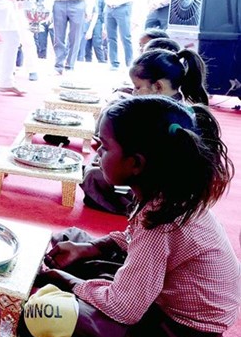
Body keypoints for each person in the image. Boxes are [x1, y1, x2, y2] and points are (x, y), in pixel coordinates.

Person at [28, 95, 239, 337]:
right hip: (161, 310)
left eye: (104, 146)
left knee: (44, 313)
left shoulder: (161, 222)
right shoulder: (170, 196)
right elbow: (134, 241)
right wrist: (91, 248)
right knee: (74, 241)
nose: (97, 152)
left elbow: (123, 308)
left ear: (136, 163)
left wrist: (64, 281)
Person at [81, 47, 210, 215]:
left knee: (92, 175)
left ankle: (134, 207)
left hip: (157, 186)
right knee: (96, 164)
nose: (134, 92)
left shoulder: (163, 116)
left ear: (158, 86)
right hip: (153, 177)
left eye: (137, 87)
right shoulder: (167, 110)